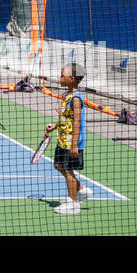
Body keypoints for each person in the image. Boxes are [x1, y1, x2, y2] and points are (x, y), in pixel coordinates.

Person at [49, 62, 93, 214]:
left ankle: (73, 204)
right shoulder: (67, 95)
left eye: (63, 75)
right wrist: (55, 126)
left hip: (71, 142)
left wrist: (74, 145)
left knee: (68, 170)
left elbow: (76, 122)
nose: (60, 77)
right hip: (62, 139)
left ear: (72, 79)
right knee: (58, 165)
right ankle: (80, 189)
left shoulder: (76, 99)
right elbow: (66, 118)